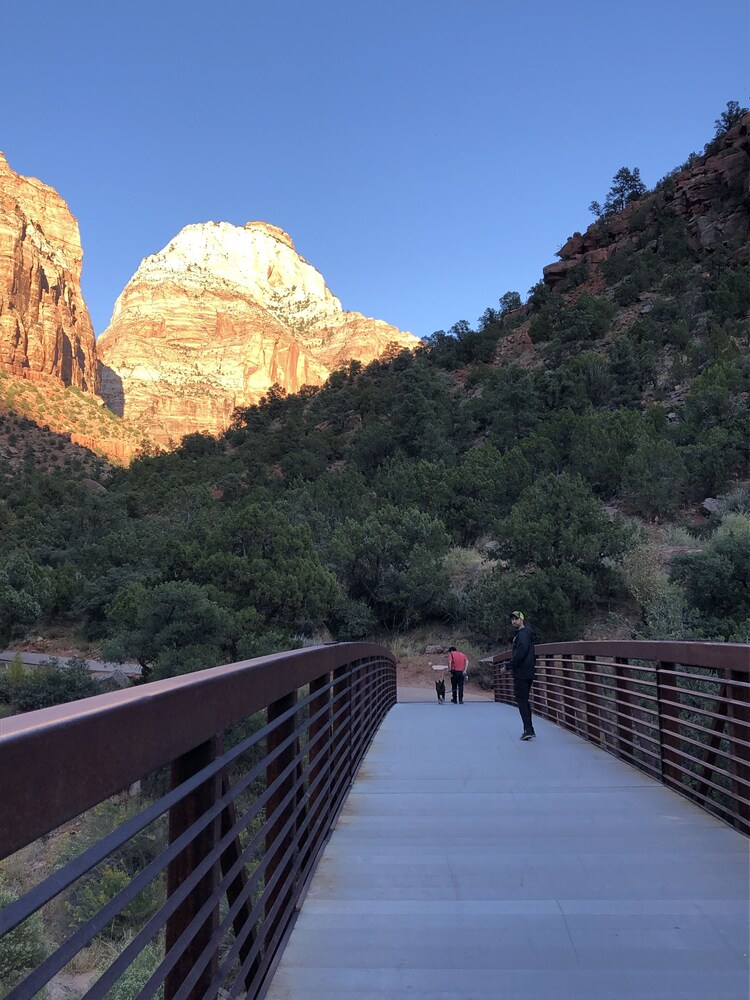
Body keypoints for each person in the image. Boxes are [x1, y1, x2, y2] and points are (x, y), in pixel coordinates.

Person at [506, 611, 536, 740]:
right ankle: (529, 729)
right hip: (528, 671)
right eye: (512, 619)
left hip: (522, 672)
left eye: (516, 619)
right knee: (524, 701)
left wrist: (509, 665)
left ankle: (528, 730)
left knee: (522, 701)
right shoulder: (526, 634)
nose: (514, 621)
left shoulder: (522, 635)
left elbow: (521, 653)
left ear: (522, 620)